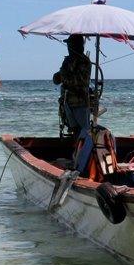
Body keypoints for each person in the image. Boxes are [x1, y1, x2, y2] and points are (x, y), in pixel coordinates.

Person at [53, 34, 95, 170]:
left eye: (70, 44)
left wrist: (64, 76)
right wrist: (61, 76)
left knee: (85, 132)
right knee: (75, 131)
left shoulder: (84, 62)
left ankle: (86, 160)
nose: (68, 47)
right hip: (68, 101)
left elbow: (79, 81)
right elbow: (58, 79)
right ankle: (77, 157)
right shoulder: (67, 61)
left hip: (81, 102)